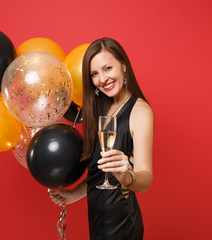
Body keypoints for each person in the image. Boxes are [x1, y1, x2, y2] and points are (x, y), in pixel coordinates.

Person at [49, 37, 154, 240]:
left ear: (123, 65)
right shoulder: (101, 109)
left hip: (122, 225)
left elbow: (146, 179)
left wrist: (127, 176)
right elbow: (98, 174)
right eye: (94, 74)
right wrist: (72, 195)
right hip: (98, 222)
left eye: (107, 68)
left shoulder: (140, 111)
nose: (102, 79)